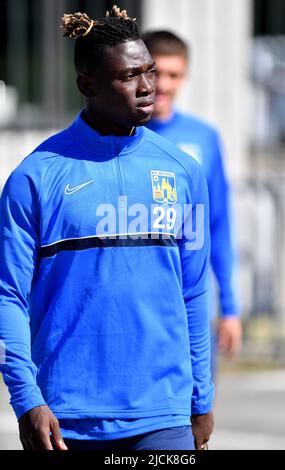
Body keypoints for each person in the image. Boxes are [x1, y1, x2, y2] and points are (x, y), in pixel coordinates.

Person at [0, 7, 214, 451]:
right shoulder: (34, 178)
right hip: (65, 420)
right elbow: (8, 295)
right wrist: (27, 400)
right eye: (129, 76)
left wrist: (202, 397)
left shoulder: (184, 173)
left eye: (150, 72)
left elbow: (193, 290)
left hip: (164, 417)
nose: (148, 87)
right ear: (87, 84)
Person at [143, 31, 242, 374]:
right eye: (156, 73)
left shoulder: (203, 138)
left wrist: (230, 308)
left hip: (190, 304)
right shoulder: (119, 136)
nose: (164, 85)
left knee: (196, 414)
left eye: (175, 75)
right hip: (137, 305)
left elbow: (218, 223)